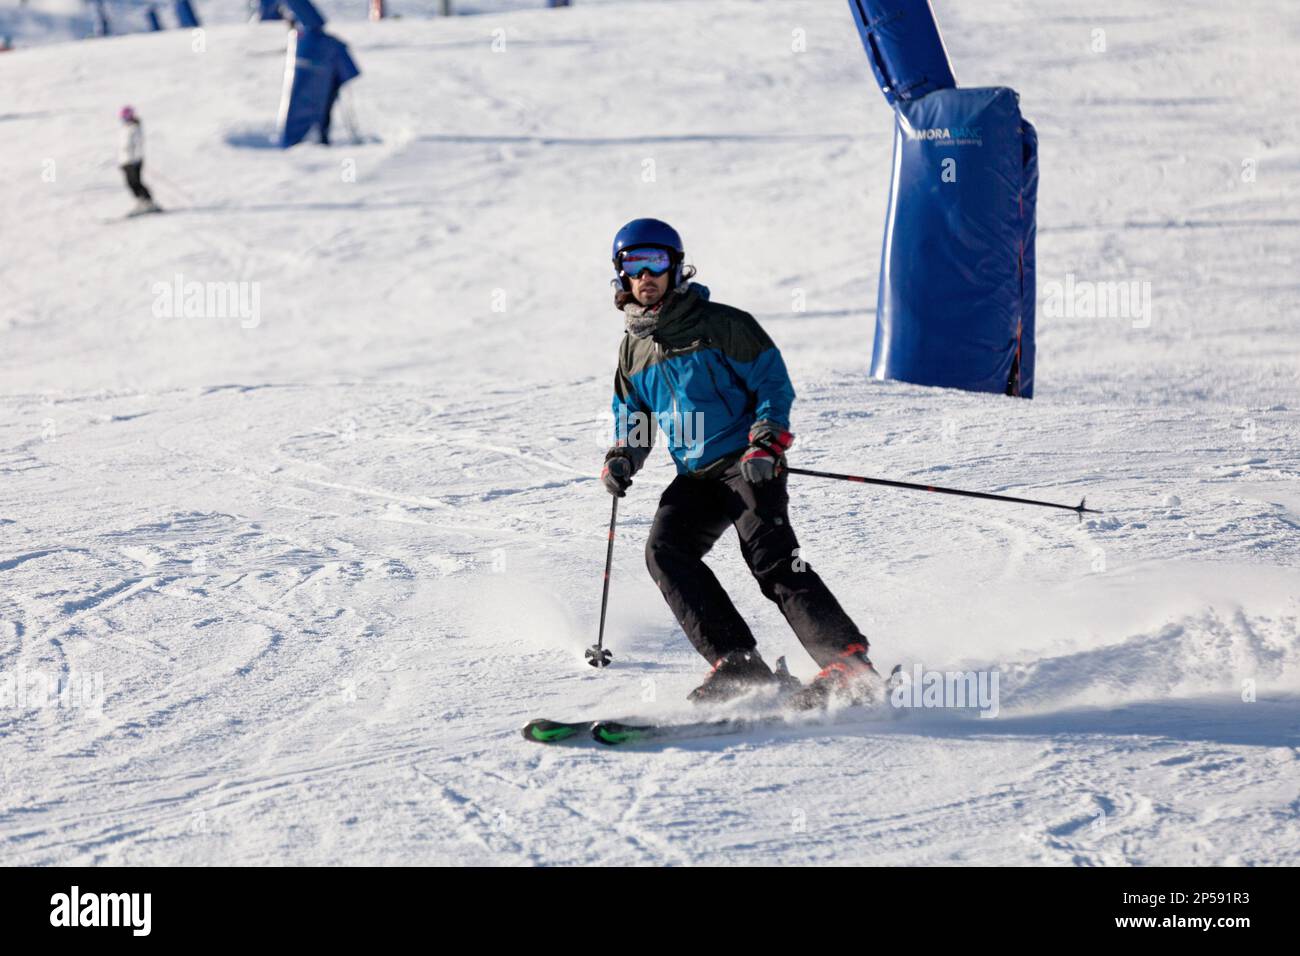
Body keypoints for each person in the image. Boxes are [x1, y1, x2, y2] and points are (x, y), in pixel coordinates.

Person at [601, 218, 881, 707]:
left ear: (677, 268)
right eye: (634, 265)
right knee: (665, 551)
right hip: (697, 475)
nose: (647, 275)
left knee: (773, 561)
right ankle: (739, 665)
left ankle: (849, 664)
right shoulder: (633, 349)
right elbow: (636, 417)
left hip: (748, 463)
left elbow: (771, 384)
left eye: (658, 262)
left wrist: (766, 441)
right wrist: (624, 456)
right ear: (621, 276)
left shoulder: (722, 324)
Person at [117, 106, 160, 214]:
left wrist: (136, 159)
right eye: (123, 117)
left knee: (135, 182)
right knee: (130, 183)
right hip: (126, 161)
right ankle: (141, 201)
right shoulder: (125, 128)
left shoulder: (135, 128)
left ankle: (148, 202)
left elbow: (138, 144)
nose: (124, 119)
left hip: (133, 161)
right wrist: (122, 161)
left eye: (126, 117)